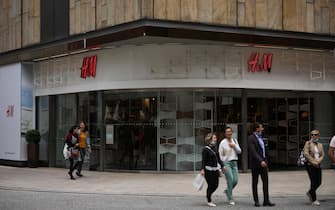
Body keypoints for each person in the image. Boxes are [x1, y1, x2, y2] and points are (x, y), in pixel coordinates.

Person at [248, 123, 275, 207]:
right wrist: (260, 161)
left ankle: (266, 200)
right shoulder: (251, 138)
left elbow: (264, 151)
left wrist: (265, 160)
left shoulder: (261, 138)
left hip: (264, 163)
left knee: (266, 182)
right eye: (261, 127)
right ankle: (256, 201)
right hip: (256, 164)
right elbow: (253, 152)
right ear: (257, 129)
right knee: (255, 182)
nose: (262, 129)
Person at [218, 127, 241, 205]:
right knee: (230, 179)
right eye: (227, 132)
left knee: (235, 180)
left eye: (230, 131)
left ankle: (227, 190)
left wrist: (234, 146)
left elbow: (239, 151)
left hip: (234, 163)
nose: (228, 133)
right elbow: (220, 155)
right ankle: (230, 198)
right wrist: (221, 166)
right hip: (226, 163)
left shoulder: (234, 140)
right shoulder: (222, 142)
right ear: (225, 133)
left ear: (232, 133)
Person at [201, 133, 224, 207]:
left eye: (215, 138)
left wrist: (223, 166)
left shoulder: (215, 148)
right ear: (210, 139)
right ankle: (209, 200)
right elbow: (203, 160)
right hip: (208, 170)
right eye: (214, 138)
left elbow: (218, 159)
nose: (215, 139)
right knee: (210, 185)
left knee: (216, 185)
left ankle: (209, 194)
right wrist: (202, 169)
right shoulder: (205, 149)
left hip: (215, 169)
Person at [304, 130, 324, 206]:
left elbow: (322, 155)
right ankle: (314, 199)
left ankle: (310, 192)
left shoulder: (320, 145)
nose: (314, 136)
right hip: (310, 165)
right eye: (312, 134)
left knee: (319, 182)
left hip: (318, 164)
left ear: (318, 135)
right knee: (313, 181)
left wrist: (318, 161)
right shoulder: (308, 143)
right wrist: (313, 162)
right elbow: (306, 154)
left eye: (316, 135)